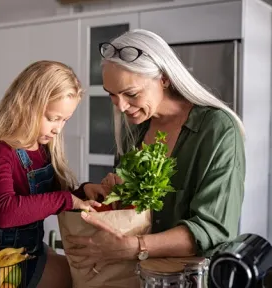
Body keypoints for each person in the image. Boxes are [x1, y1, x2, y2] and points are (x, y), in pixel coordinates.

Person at [65, 29, 246, 277]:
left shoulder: (217, 129)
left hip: (193, 279)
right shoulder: (134, 132)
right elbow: (131, 213)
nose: (121, 106)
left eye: (131, 94)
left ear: (163, 78)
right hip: (138, 276)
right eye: (112, 95)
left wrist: (134, 247)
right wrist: (112, 193)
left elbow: (213, 229)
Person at [0, 60, 105, 288]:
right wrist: (66, 200)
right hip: (4, 265)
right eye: (52, 118)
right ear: (26, 104)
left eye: (65, 120)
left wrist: (81, 192)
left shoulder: (42, 148)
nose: (58, 129)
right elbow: (4, 212)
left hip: (33, 250)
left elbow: (46, 196)